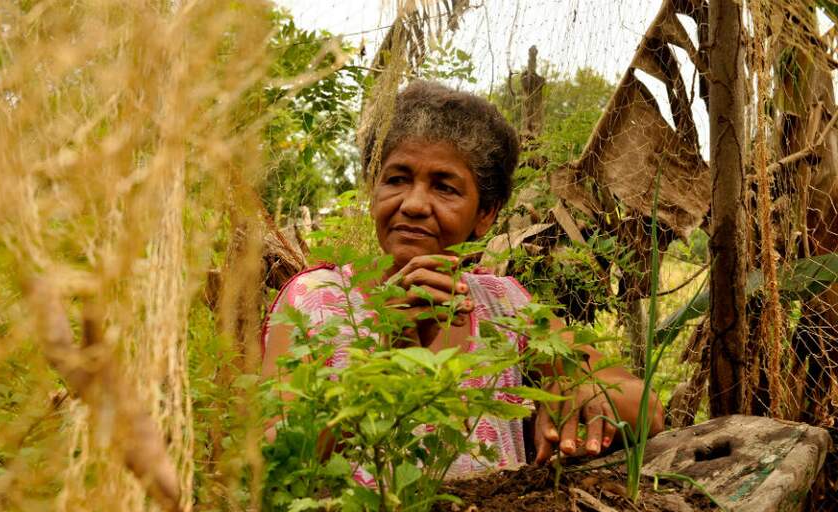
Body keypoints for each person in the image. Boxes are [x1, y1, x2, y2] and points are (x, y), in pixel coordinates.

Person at [261, 80, 663, 476]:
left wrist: (586, 394)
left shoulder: (505, 306)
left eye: (445, 187)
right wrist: (390, 350)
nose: (414, 204)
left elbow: (646, 409)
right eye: (397, 179)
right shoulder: (316, 301)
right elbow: (273, 460)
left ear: (485, 213)